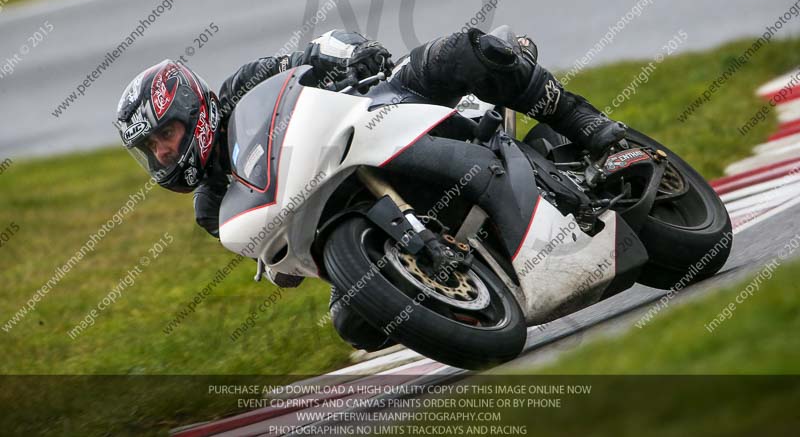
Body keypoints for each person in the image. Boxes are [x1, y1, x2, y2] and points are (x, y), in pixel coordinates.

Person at [115, 27, 625, 352]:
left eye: (166, 134)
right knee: (351, 321)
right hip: (341, 210)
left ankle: (590, 128)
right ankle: (450, 295)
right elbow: (281, 260)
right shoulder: (211, 208)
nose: (162, 153)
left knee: (466, 51)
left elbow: (311, 50)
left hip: (381, 109)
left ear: (192, 111)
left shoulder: (238, 89)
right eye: (151, 148)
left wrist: (350, 54)